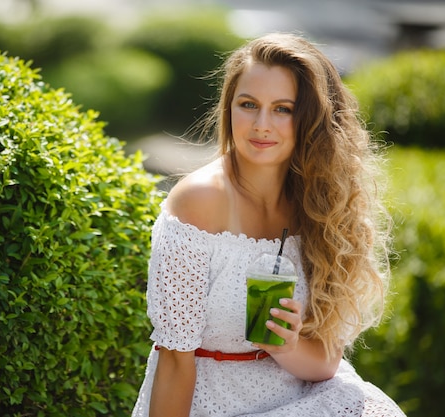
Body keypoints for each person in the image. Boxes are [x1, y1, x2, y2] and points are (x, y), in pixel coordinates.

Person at [131, 33, 406, 417]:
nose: (262, 124)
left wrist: (286, 344)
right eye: (249, 105)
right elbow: (175, 362)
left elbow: (326, 363)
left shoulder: (321, 207)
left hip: (296, 394)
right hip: (211, 400)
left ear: (312, 118)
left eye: (283, 109)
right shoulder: (197, 203)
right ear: (229, 108)